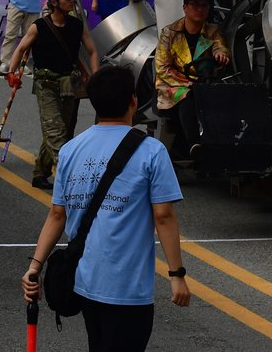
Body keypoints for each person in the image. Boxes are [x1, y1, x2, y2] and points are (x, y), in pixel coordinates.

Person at [22, 66, 189, 352]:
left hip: (86, 281)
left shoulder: (71, 149)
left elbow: (57, 215)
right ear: (134, 101)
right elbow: (163, 215)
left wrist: (34, 266)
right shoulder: (151, 151)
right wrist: (177, 275)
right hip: (128, 287)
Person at [8, 0, 99, 188]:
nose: (72, 2)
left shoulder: (77, 25)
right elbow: (21, 49)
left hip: (69, 83)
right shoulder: (38, 26)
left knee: (64, 128)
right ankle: (67, 178)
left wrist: (95, 76)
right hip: (45, 83)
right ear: (54, 1)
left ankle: (40, 173)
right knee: (55, 130)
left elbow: (92, 51)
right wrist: (11, 73)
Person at [154, 0, 229, 161]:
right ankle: (194, 143)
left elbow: (221, 46)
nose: (200, 9)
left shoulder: (212, 32)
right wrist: (188, 84)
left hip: (202, 86)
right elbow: (163, 68)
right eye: (195, 5)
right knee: (188, 96)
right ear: (185, 7)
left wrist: (221, 55)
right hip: (172, 86)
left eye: (204, 5)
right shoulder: (169, 33)